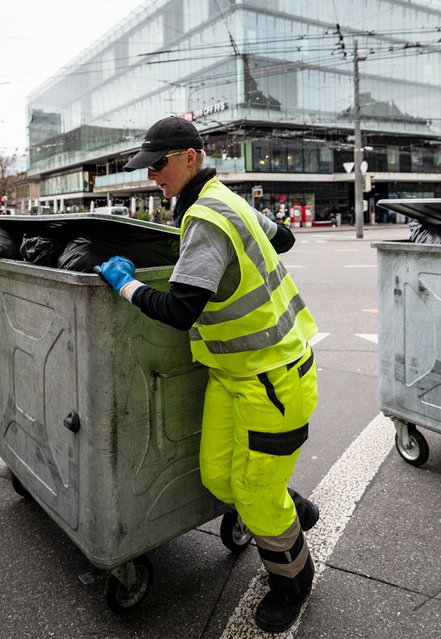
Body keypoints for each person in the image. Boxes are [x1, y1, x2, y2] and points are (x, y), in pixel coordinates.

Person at [94, 116, 320, 633]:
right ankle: (293, 508)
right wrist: (250, 230)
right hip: (234, 373)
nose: (152, 176)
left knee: (258, 495)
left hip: (274, 378)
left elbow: (179, 311)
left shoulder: (207, 217)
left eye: (158, 165)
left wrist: (125, 287)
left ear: (189, 158)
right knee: (219, 477)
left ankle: (292, 579)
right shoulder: (223, 199)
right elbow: (282, 238)